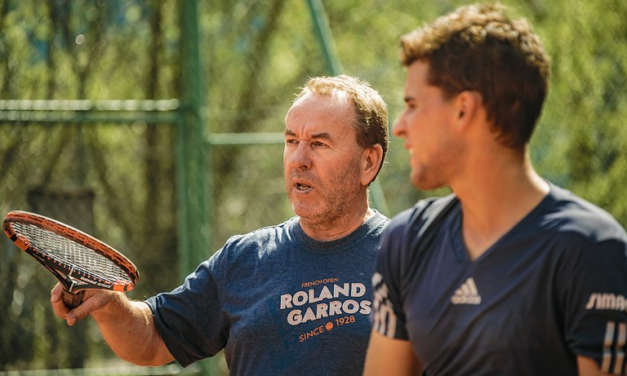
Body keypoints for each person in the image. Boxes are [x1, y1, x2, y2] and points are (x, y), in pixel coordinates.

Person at [51, 75, 390, 376]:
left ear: (368, 162)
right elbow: (152, 340)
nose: (299, 159)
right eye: (291, 141)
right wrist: (109, 303)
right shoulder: (244, 259)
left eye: (319, 143)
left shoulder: (410, 257)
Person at [364, 3, 627, 376]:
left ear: (463, 110)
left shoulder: (591, 248)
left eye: (412, 105)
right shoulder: (406, 240)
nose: (401, 126)